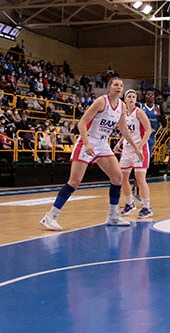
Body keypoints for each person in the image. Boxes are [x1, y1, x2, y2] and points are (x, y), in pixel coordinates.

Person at [39, 76, 145, 231]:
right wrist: (87, 144)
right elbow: (82, 123)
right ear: (109, 87)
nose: (119, 87)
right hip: (87, 141)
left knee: (117, 177)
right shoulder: (101, 102)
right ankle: (50, 216)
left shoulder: (122, 106)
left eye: (121, 85)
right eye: (116, 85)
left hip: (102, 144)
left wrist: (136, 148)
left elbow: (123, 129)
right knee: (74, 181)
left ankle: (113, 215)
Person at [117, 89, 154, 218]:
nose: (131, 98)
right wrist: (119, 143)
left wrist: (139, 145)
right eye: (129, 96)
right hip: (127, 149)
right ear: (125, 99)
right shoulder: (123, 114)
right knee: (122, 178)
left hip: (140, 149)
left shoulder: (139, 112)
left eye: (133, 96)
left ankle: (147, 207)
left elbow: (149, 130)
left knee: (140, 178)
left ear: (136, 99)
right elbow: (126, 132)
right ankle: (129, 204)